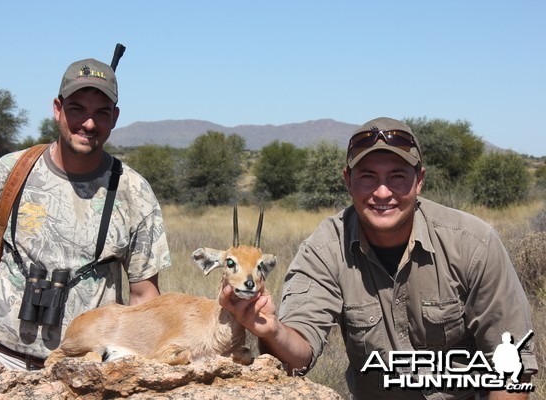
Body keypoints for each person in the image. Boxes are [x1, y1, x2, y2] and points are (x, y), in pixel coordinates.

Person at [220, 117, 538, 399]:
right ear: (348, 180)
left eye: (397, 176)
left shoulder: (473, 243)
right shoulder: (325, 247)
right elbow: (298, 353)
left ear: (420, 179)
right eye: (369, 176)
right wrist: (272, 330)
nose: (383, 192)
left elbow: (512, 365)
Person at [0, 58, 171, 370]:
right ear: (57, 109)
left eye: (101, 112)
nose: (89, 123)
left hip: (85, 370)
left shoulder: (135, 192)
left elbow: (145, 298)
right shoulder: (9, 171)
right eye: (77, 108)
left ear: (114, 118)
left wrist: (126, 372)